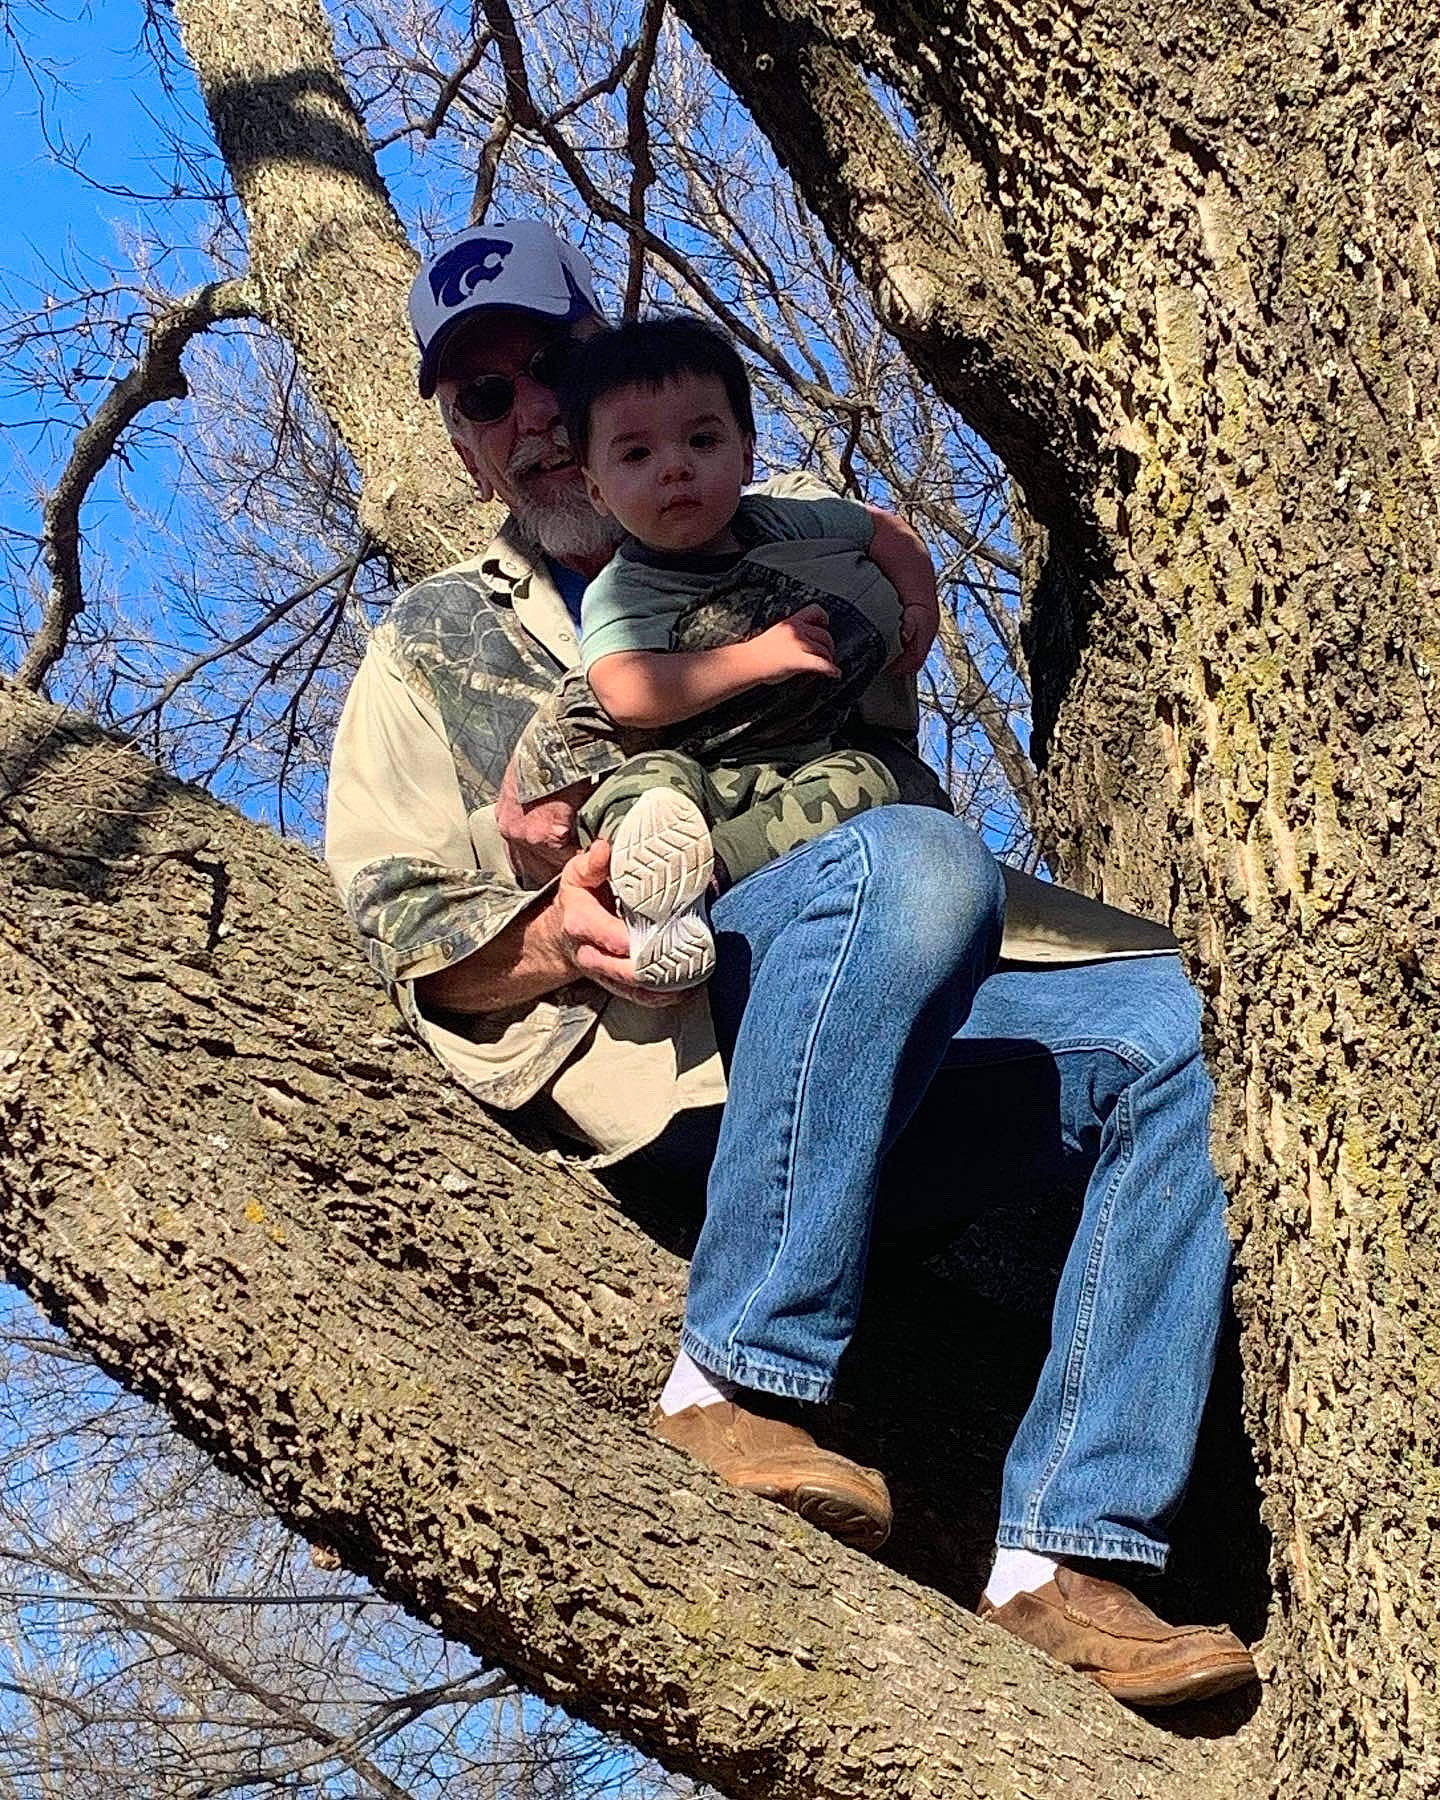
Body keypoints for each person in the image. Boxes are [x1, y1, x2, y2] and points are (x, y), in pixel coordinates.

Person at [325, 218, 1258, 1708]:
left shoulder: (776, 524)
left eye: (551, 367)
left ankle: (1069, 1555)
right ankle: (733, 1382)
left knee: (1186, 1028)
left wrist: (871, 562)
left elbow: (898, 587)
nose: (535, 418)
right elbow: (404, 928)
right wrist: (551, 933)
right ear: (461, 447)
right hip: (693, 1055)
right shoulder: (431, 646)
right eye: (485, 400)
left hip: (908, 1018)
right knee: (917, 859)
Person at [505, 310, 938, 989]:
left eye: (701, 440)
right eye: (637, 456)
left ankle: (704, 878)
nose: (675, 469)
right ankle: (652, 902)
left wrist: (918, 603)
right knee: (647, 790)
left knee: (866, 778)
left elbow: (884, 532)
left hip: (803, 769)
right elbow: (624, 688)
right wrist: (760, 656)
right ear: (596, 489)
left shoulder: (783, 517)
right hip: (699, 775)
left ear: (746, 451)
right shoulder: (626, 587)